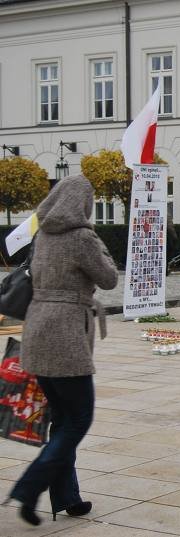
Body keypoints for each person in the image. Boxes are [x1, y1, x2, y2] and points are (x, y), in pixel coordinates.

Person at [7, 175, 118, 527]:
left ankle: (67, 497)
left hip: (37, 331)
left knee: (61, 420)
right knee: (78, 420)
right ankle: (29, 486)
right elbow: (109, 278)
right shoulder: (82, 237)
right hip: (66, 334)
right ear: (83, 204)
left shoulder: (42, 235)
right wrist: (102, 249)